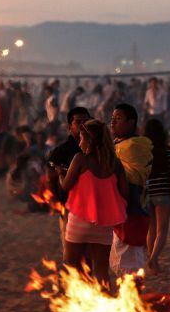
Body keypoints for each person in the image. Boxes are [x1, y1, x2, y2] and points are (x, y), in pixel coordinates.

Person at [58, 119, 128, 286]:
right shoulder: (114, 163)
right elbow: (125, 193)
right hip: (103, 224)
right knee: (102, 271)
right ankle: (104, 302)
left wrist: (61, 174)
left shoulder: (80, 159)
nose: (80, 143)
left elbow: (66, 186)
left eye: (82, 139)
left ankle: (66, 303)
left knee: (70, 264)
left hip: (79, 221)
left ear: (89, 140)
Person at [110, 103, 153, 275]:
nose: (113, 123)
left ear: (131, 122)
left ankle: (132, 300)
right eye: (112, 119)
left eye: (118, 119)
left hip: (132, 209)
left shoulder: (134, 146)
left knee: (129, 263)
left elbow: (130, 177)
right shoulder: (119, 145)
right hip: (121, 210)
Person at [47, 106, 90, 248]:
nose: (83, 126)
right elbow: (51, 178)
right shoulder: (61, 152)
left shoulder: (98, 150)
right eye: (79, 122)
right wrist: (56, 201)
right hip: (69, 207)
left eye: (86, 121)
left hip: (93, 207)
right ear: (70, 127)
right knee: (72, 252)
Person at [142, 118, 170, 274]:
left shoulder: (143, 152)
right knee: (162, 230)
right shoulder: (167, 151)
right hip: (162, 193)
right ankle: (153, 259)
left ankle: (153, 262)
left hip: (147, 194)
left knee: (151, 229)